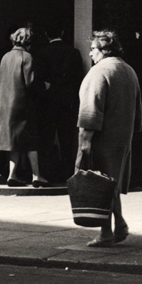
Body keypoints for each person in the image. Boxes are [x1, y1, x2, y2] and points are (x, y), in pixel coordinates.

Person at [76, 29, 142, 248]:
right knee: (110, 182)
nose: (90, 53)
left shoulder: (99, 72)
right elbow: (139, 110)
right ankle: (120, 224)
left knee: (101, 185)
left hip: (101, 139)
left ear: (104, 50)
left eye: (93, 49)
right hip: (123, 138)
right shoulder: (129, 71)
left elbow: (90, 111)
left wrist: (84, 145)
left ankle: (106, 232)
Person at [0, 27, 49, 188]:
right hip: (23, 105)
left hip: (6, 105)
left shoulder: (5, 57)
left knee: (13, 141)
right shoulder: (27, 57)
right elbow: (31, 82)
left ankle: (12, 175)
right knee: (31, 141)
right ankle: (36, 175)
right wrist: (45, 86)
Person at [34, 21, 84, 182]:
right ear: (62, 32)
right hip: (67, 101)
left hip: (48, 102)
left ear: (47, 35)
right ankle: (68, 172)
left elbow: (38, 80)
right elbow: (78, 79)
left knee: (47, 139)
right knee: (67, 139)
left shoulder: (41, 53)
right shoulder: (73, 52)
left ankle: (48, 171)